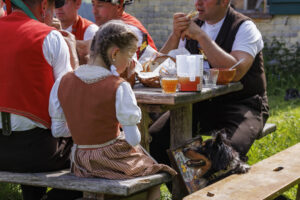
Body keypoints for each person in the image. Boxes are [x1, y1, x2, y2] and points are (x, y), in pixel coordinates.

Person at [49, 20, 177, 200]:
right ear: (115, 53)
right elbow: (134, 139)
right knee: (154, 171)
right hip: (111, 159)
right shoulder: (118, 86)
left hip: (80, 161)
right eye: (131, 54)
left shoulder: (62, 81)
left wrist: (86, 129)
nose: (132, 61)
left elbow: (58, 130)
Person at [152, 0, 269, 165]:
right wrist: (175, 35)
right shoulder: (192, 25)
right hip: (199, 103)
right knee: (155, 142)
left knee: (223, 156)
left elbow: (235, 72)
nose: (197, 3)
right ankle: (186, 190)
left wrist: (201, 36)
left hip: (242, 105)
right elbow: (157, 67)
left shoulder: (244, 27)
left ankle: (216, 187)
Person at [0, 0, 82, 199]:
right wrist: (72, 51)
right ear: (44, 6)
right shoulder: (51, 37)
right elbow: (71, 95)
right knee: (94, 155)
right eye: (54, 7)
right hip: (37, 153)